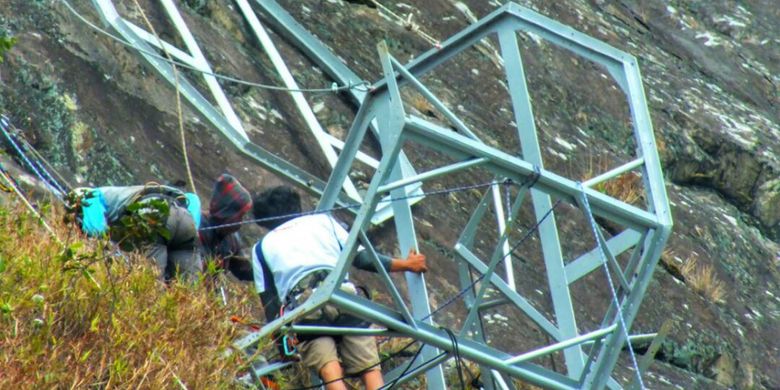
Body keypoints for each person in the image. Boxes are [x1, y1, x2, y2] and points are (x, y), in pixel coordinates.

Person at [250, 185, 428, 390]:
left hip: (305, 306)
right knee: (369, 366)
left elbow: (270, 303)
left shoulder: (261, 248)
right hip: (342, 295)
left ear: (263, 221)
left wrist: (282, 345)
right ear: (296, 206)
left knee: (329, 371)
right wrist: (406, 264)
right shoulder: (324, 221)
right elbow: (362, 258)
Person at [67, 183, 202, 281]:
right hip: (184, 215)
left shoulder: (88, 197)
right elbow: (194, 200)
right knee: (188, 290)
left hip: (153, 212)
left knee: (151, 283)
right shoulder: (116, 193)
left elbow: (96, 230)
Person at [198, 173, 253, 268]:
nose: (241, 222)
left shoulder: (231, 239)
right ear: (226, 213)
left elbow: (243, 267)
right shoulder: (197, 227)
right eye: (239, 216)